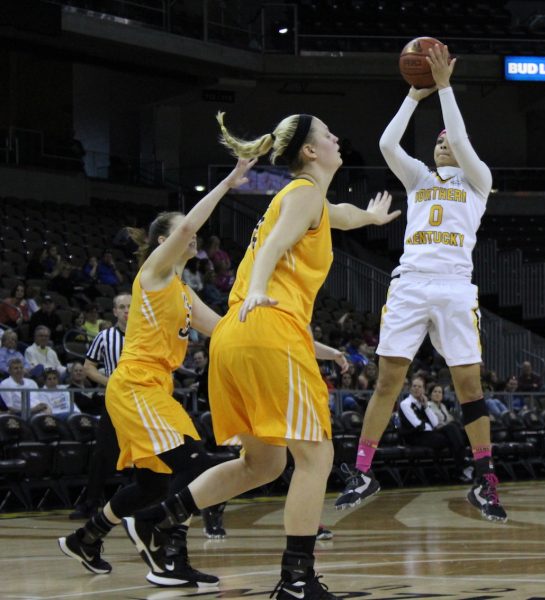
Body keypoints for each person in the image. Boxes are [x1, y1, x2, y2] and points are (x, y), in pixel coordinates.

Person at [128, 110, 398, 600]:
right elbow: (273, 247)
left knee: (264, 465)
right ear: (311, 152)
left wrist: (373, 218)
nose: (338, 138)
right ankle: (297, 580)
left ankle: (161, 517)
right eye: (328, 134)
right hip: (266, 326)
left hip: (236, 337)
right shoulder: (303, 194)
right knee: (316, 456)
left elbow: (343, 216)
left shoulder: (306, 201)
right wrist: (254, 288)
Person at [57, 158, 255, 588]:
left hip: (155, 388)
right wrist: (227, 182)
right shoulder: (153, 273)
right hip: (134, 386)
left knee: (152, 483)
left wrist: (266, 321)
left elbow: (223, 328)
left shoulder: (183, 291)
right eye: (185, 228)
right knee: (195, 464)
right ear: (164, 239)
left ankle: (86, 538)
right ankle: (163, 544)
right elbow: (186, 229)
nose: (194, 233)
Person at [335, 45, 506, 522]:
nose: (442, 143)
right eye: (437, 140)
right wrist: (414, 97)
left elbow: (465, 141)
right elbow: (389, 144)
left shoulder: (478, 181)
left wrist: (447, 90)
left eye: (448, 140)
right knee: (388, 379)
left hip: (454, 285)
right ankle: (364, 471)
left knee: (469, 385)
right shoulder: (418, 179)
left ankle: (484, 480)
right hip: (410, 282)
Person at [68, 293, 130, 520]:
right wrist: (111, 381)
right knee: (102, 453)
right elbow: (88, 367)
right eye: (122, 307)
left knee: (147, 453)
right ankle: (90, 502)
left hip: (144, 401)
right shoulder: (105, 337)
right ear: (114, 311)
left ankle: (146, 500)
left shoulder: (146, 335)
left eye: (131, 306)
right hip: (115, 401)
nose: (126, 311)